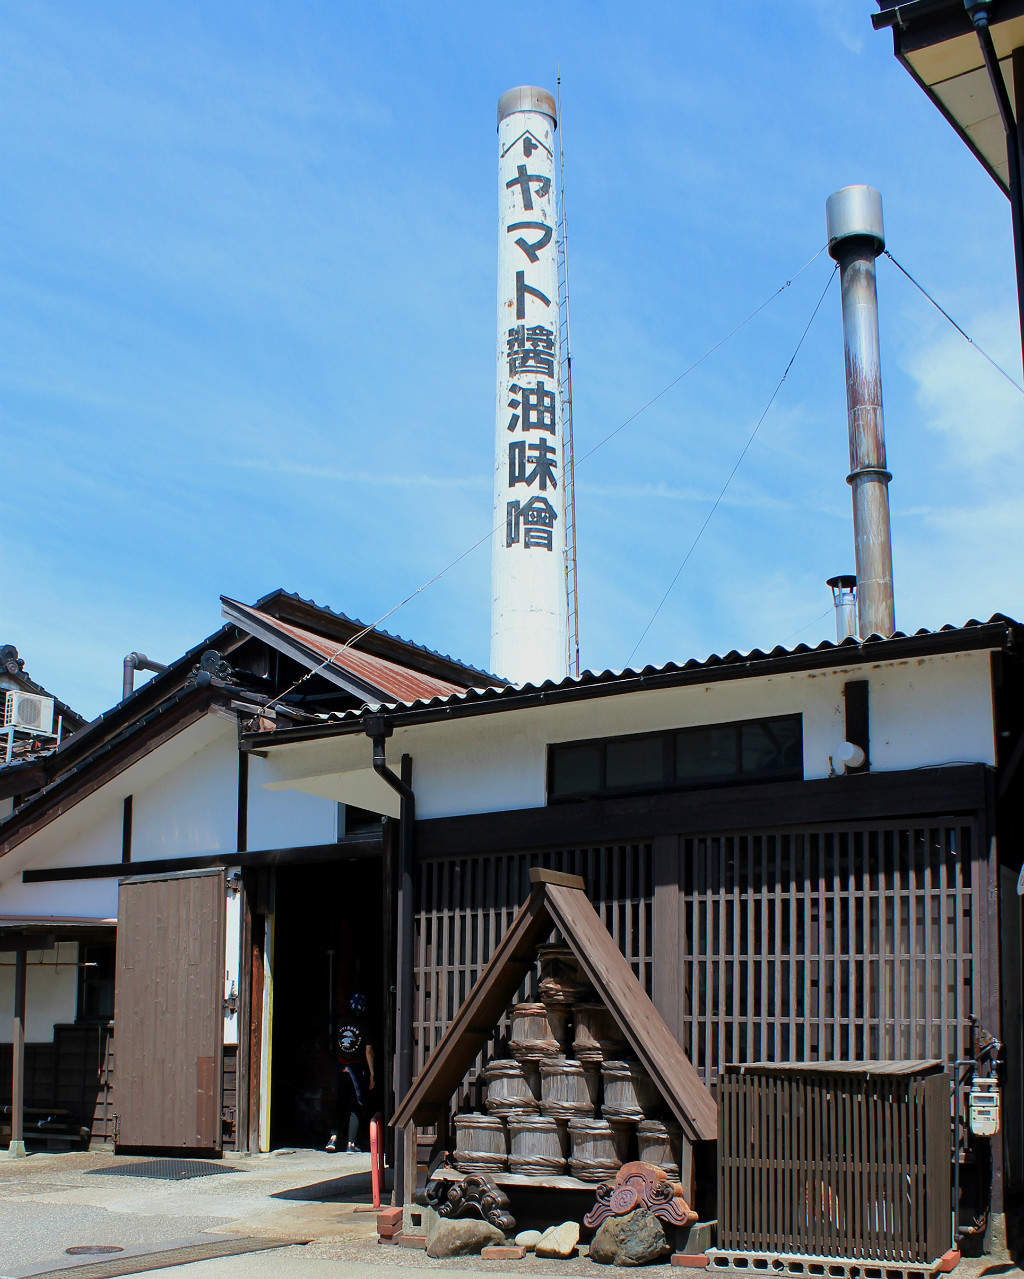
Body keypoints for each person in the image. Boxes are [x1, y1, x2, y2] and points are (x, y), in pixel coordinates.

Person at [325, 992, 375, 1153]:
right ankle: (351, 1144)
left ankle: (332, 1139)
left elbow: (333, 1045)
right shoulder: (365, 1026)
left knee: (339, 1104)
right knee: (356, 1106)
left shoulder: (341, 1023)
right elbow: (368, 1052)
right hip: (356, 1069)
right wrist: (372, 1073)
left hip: (340, 1068)